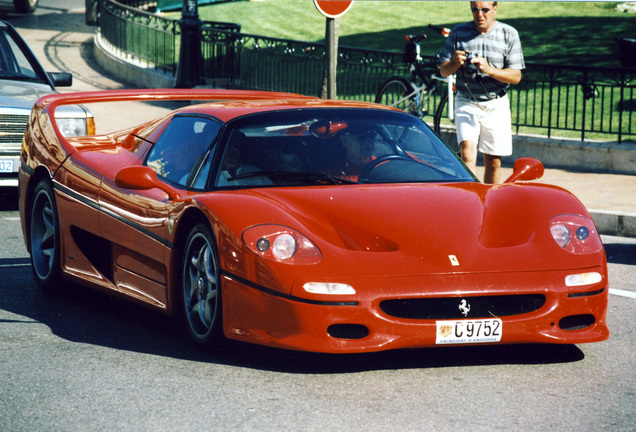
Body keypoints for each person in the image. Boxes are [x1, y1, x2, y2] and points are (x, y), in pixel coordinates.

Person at [438, 1, 525, 184]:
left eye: (485, 10)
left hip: (496, 103)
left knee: (493, 162)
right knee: (468, 154)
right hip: (466, 101)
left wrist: (489, 69)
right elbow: (443, 71)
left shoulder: (508, 34)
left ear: (495, 9)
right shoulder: (459, 32)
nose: (479, 15)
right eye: (475, 10)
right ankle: (470, 200)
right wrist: (455, 62)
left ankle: (489, 201)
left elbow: (516, 76)